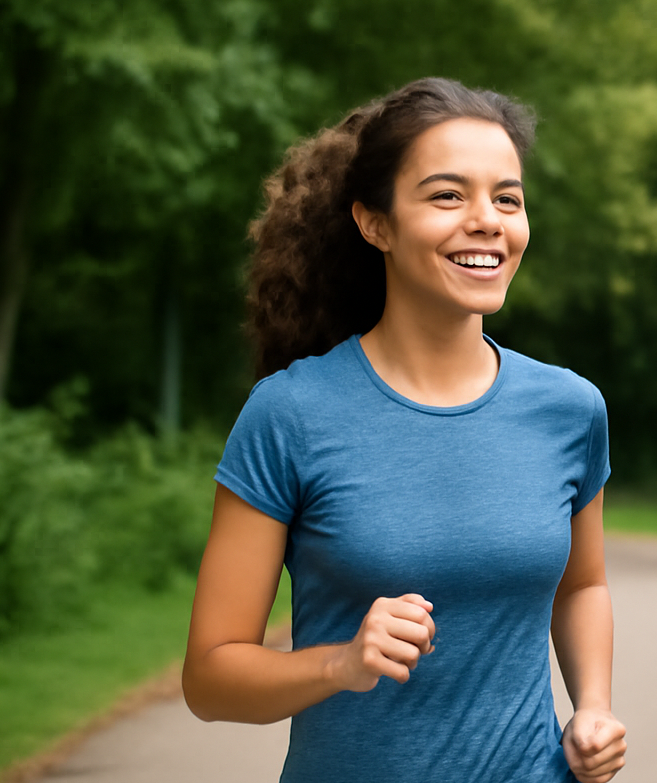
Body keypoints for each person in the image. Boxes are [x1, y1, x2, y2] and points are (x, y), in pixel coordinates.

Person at [182, 78, 627, 783]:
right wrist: (340, 663)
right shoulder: (290, 414)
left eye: (507, 198)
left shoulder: (570, 409)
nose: (487, 221)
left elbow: (582, 587)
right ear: (375, 224)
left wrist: (593, 706)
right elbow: (211, 677)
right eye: (448, 195)